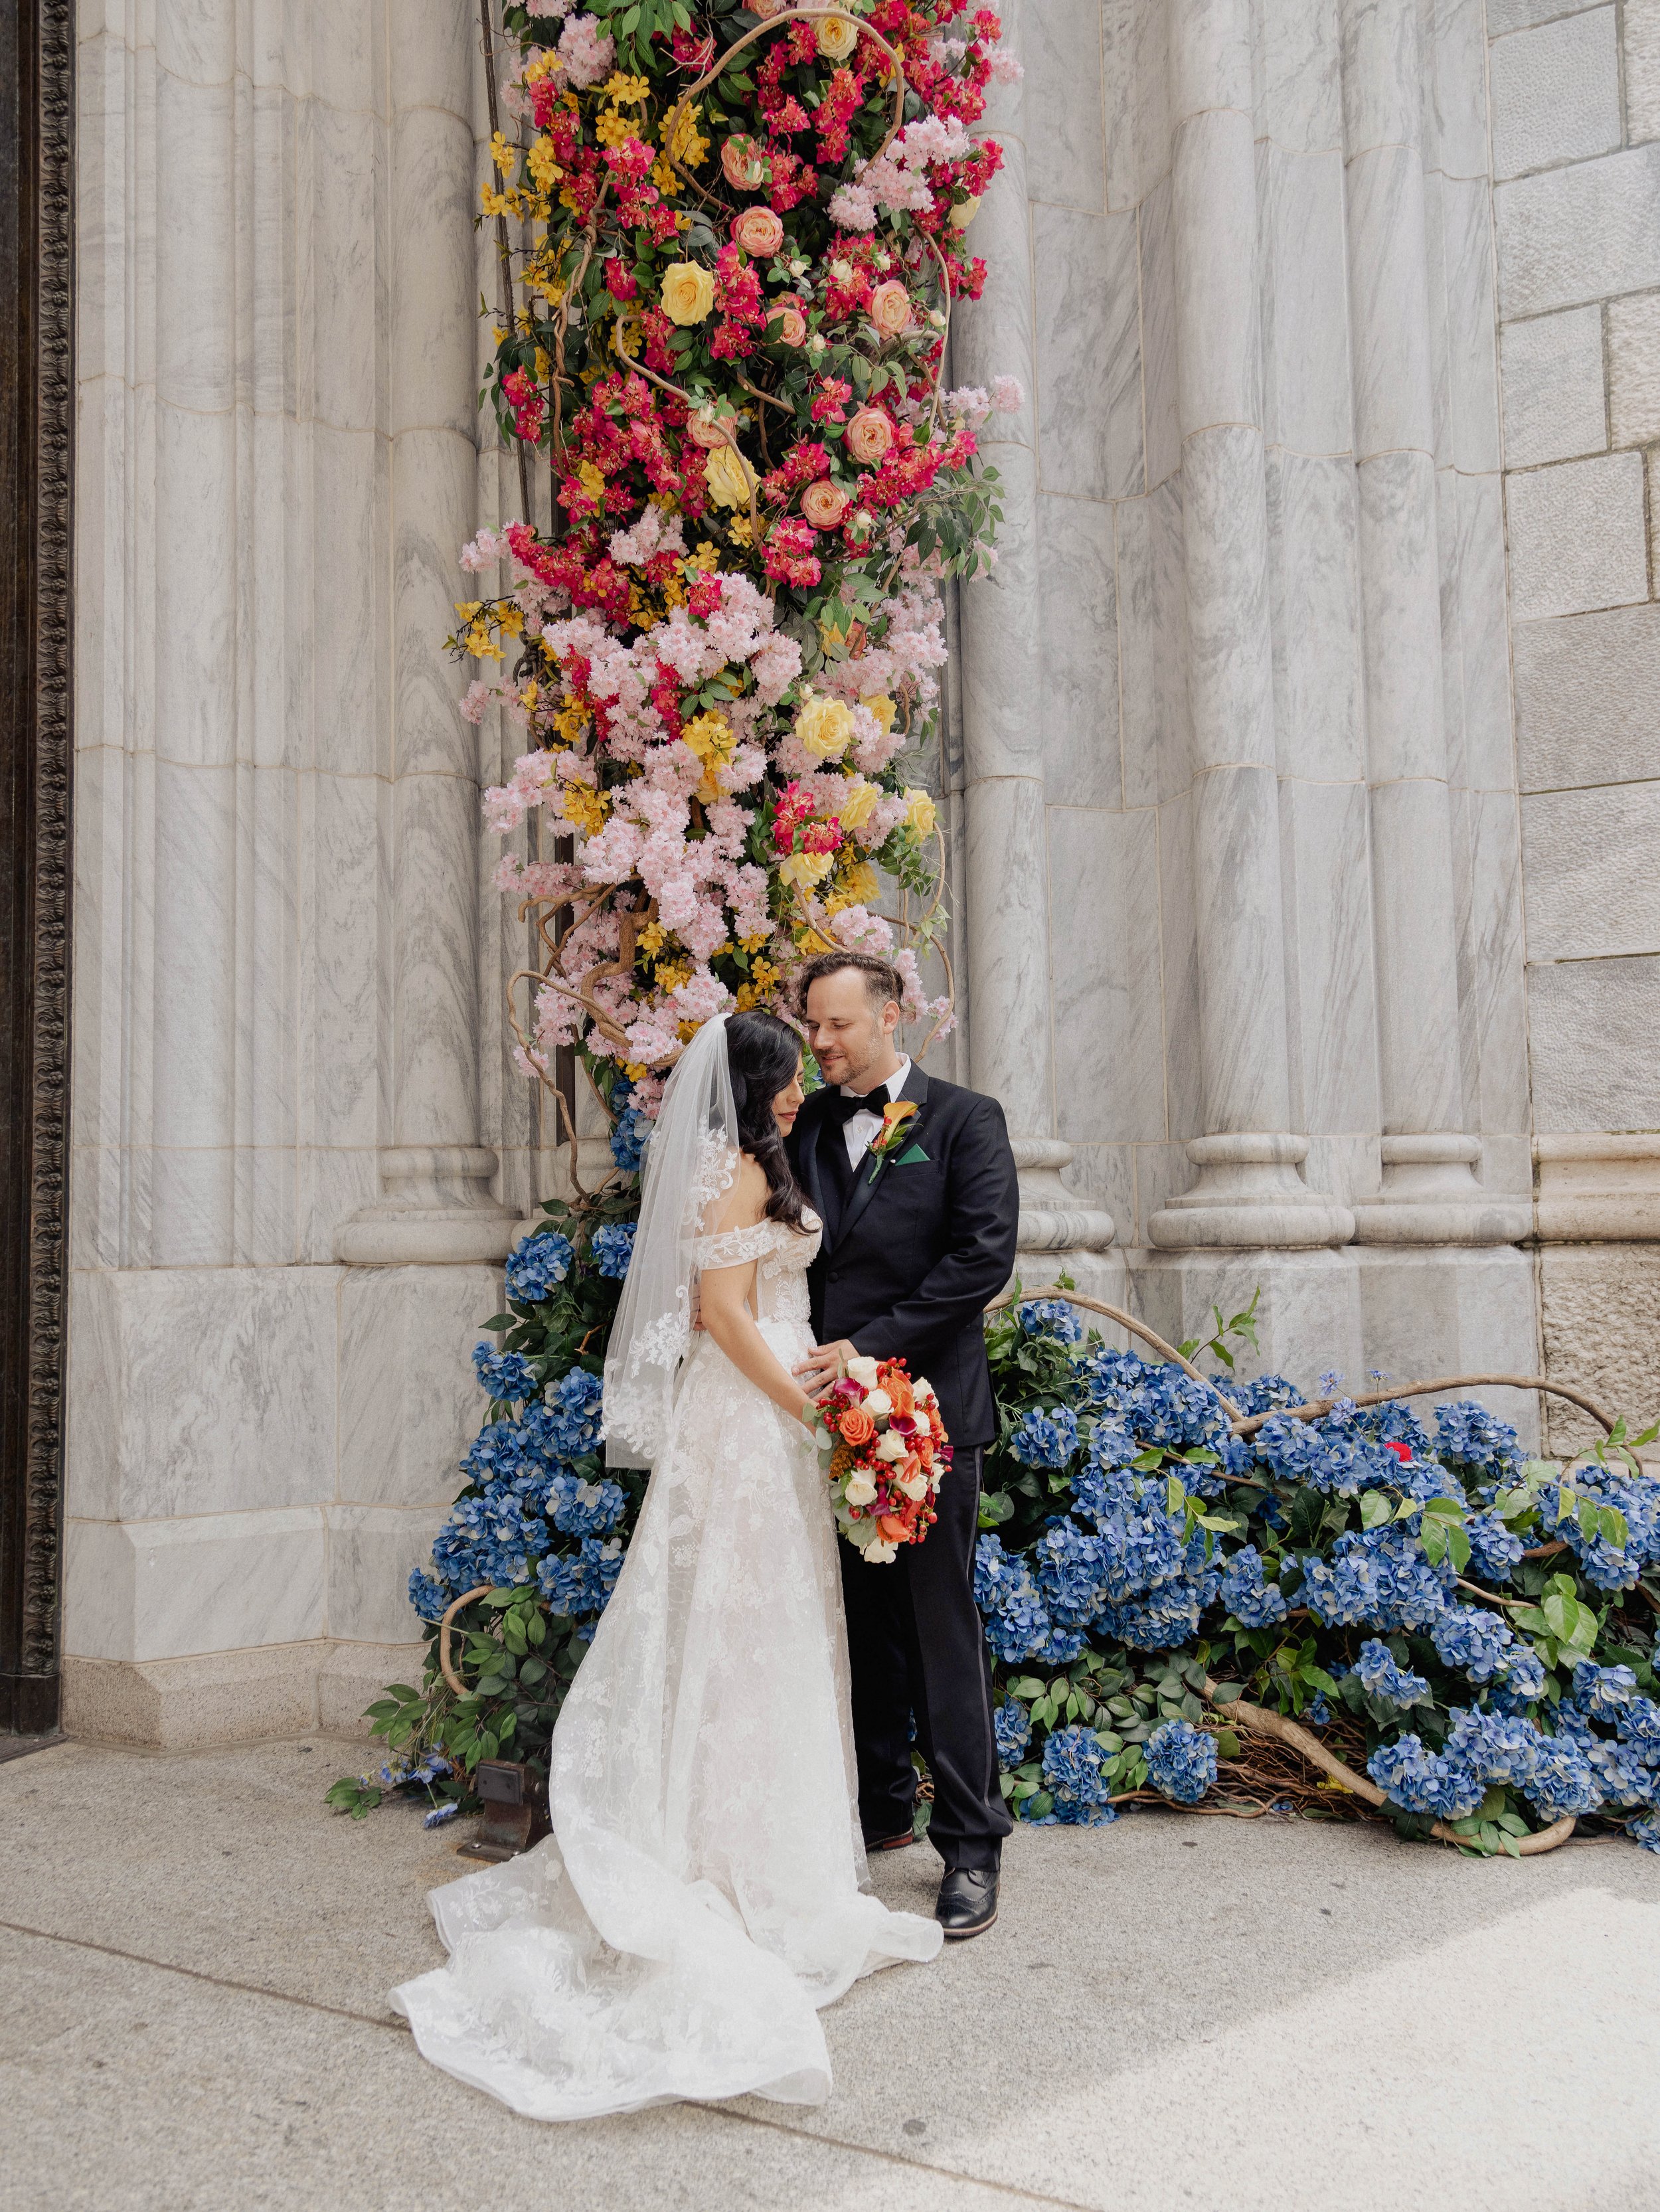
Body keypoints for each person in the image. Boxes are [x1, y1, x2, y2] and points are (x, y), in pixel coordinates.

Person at [390, 1010, 942, 2120]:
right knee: (743, 1624)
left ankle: (756, 1844)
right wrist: (812, 1410)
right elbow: (723, 1315)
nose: (798, 1092)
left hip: (773, 1414)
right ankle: (722, 1857)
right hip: (747, 1421)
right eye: (784, 1079)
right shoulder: (737, 1176)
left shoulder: (752, 1165)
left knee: (771, 1626)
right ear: (750, 1087)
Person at [786, 951, 1019, 1940]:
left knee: (937, 1632)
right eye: (814, 1028)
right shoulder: (799, 1128)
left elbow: (982, 1261)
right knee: (857, 1627)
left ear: (893, 1017)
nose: (824, 1043)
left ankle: (971, 1844)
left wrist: (867, 1353)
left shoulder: (965, 1120)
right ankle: (881, 1806)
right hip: (821, 1422)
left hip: (929, 1416)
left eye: (840, 1025)